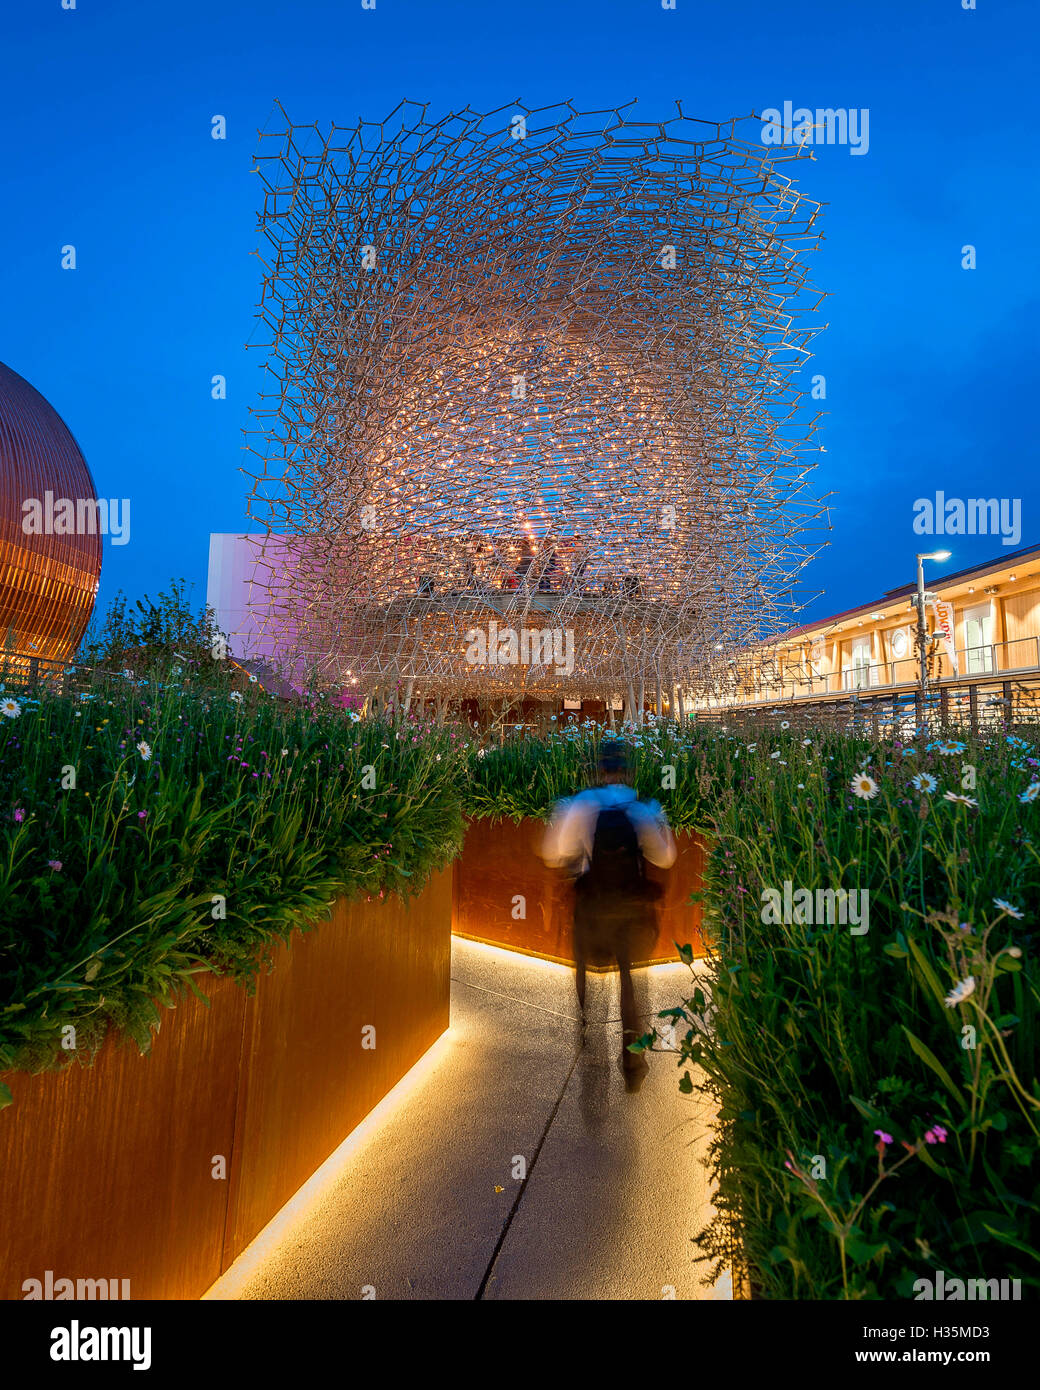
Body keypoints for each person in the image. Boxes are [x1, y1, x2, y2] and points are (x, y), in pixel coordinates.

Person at [541, 738, 676, 1092]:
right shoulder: (641, 809)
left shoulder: (583, 804)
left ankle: (592, 1051)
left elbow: (553, 853)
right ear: (627, 769)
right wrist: (662, 821)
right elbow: (665, 858)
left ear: (599, 770)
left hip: (593, 912)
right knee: (632, 984)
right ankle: (633, 1064)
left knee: (588, 979)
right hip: (631, 915)